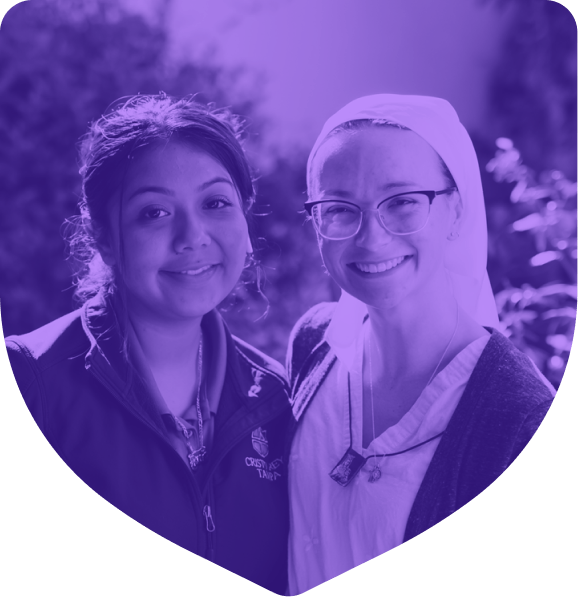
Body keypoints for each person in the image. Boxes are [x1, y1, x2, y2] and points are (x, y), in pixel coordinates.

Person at [5, 94, 291, 594]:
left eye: (216, 203)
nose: (192, 236)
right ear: (104, 239)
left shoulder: (275, 398)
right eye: (154, 213)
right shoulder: (30, 382)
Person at [285, 94, 556, 595]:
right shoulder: (313, 346)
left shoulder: (522, 421)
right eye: (340, 208)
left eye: (403, 202)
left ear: (456, 209)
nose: (372, 237)